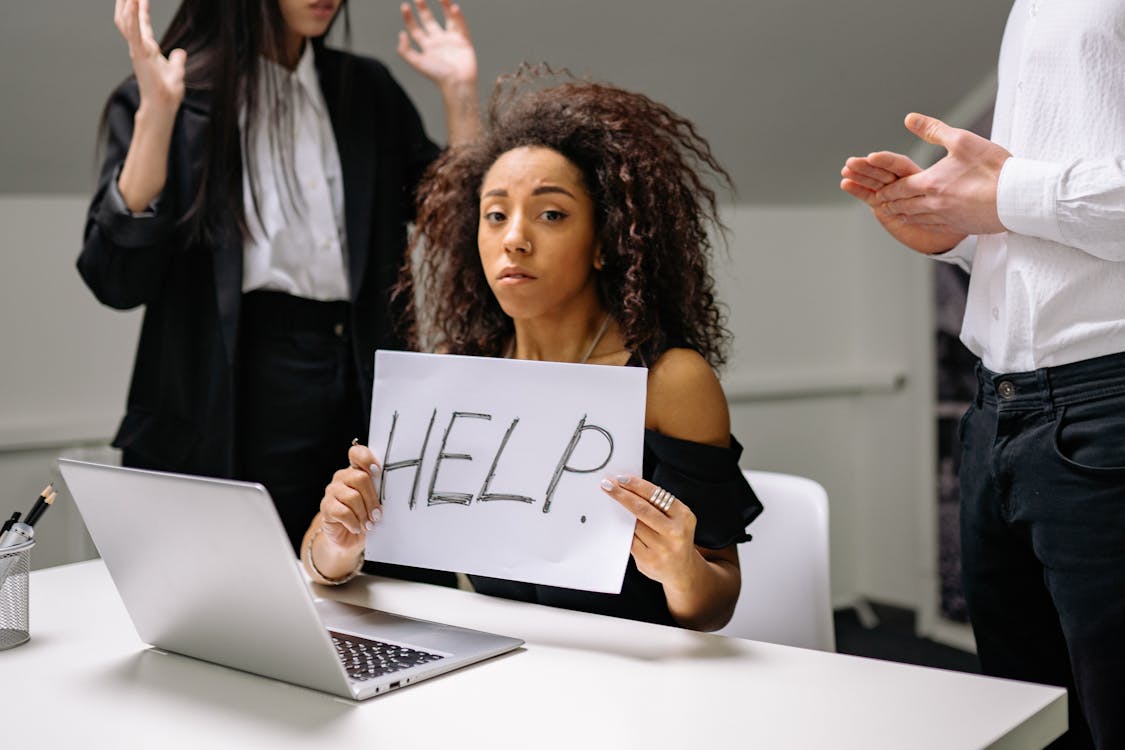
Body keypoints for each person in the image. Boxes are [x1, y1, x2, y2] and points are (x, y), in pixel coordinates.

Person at [299, 67, 763, 631]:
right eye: (495, 215)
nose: (514, 237)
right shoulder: (452, 374)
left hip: (636, 682)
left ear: (603, 242)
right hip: (496, 671)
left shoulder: (670, 381)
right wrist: (339, 545)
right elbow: (319, 563)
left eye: (551, 214)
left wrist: (680, 568)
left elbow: (715, 605)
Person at [78, 0, 479, 555]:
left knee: (376, 596)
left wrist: (459, 92)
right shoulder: (175, 92)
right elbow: (114, 279)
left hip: (360, 375)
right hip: (235, 386)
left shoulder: (366, 90)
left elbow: (465, 229)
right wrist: (158, 111)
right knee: (240, 596)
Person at [840, 2, 1125, 747]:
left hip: (1107, 402)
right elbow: (1039, 221)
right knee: (1025, 717)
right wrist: (955, 228)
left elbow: (1024, 194)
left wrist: (1005, 195)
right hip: (998, 407)